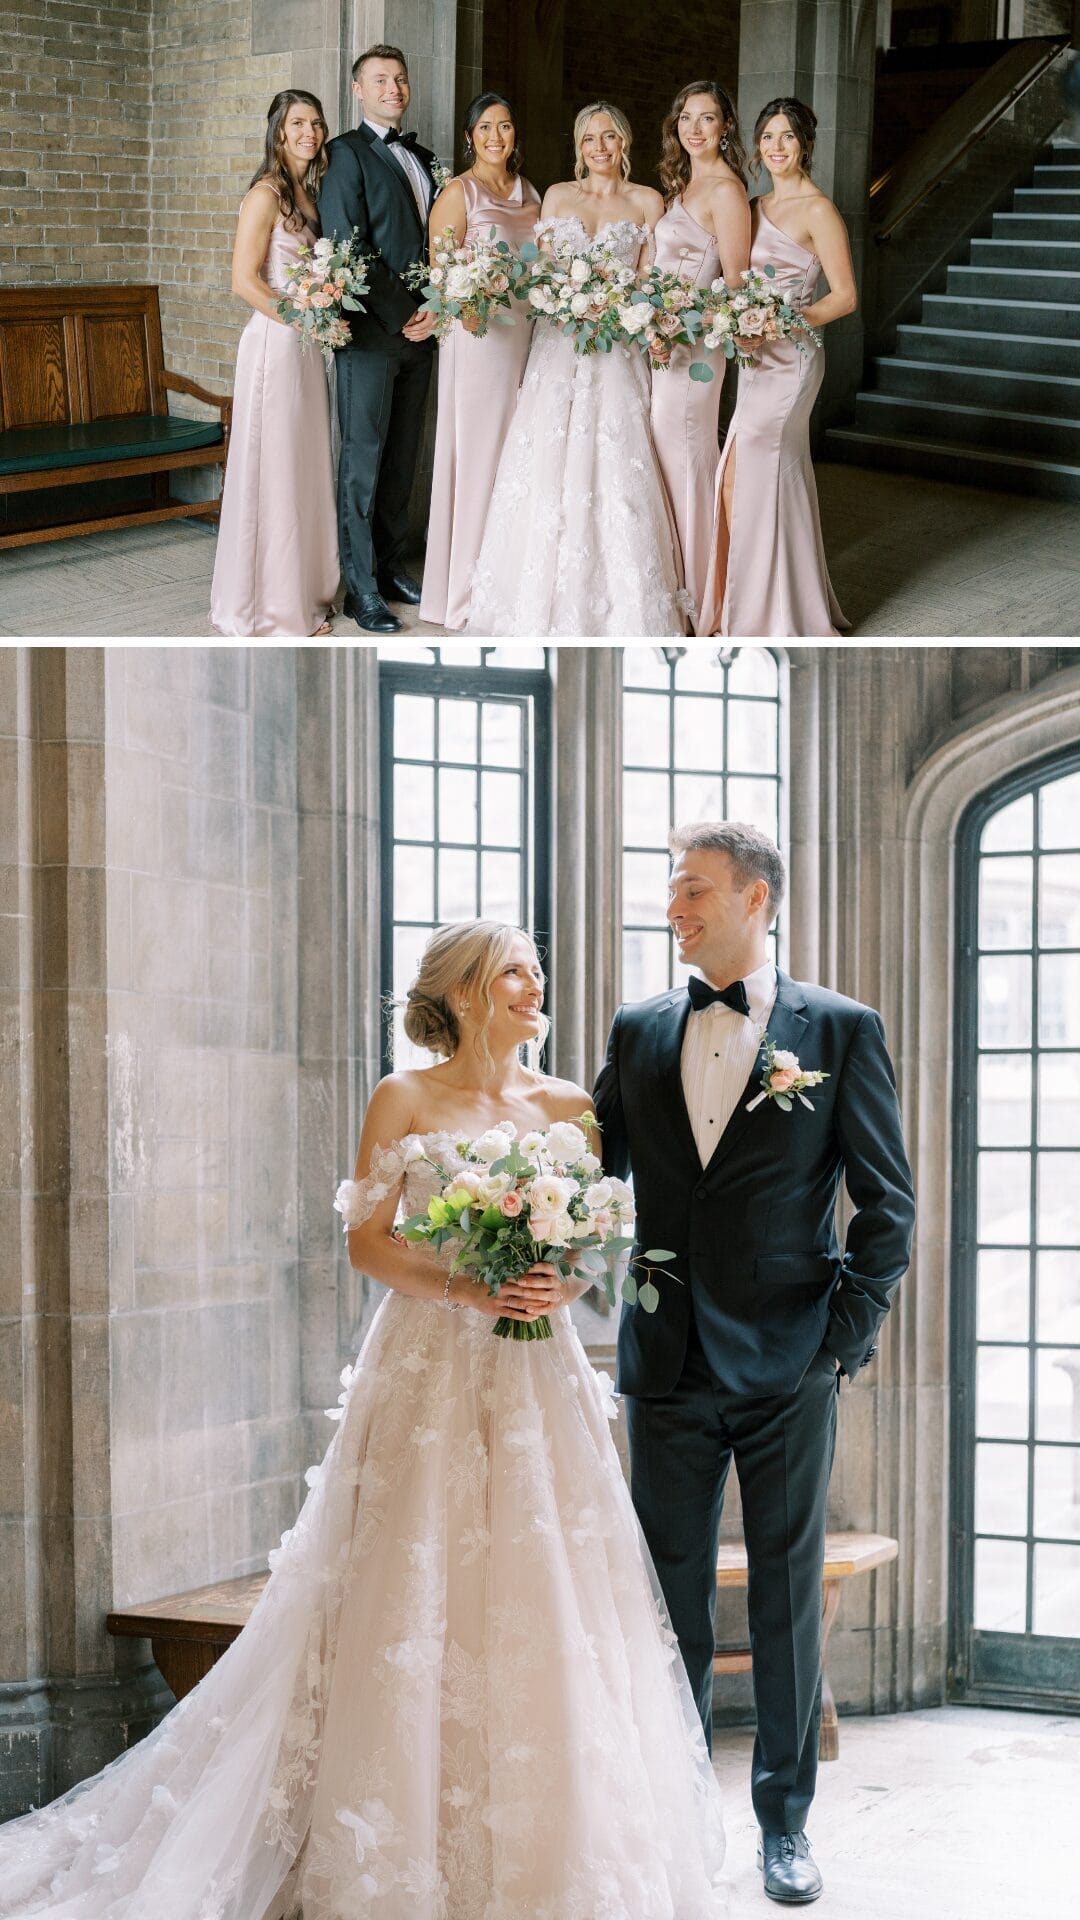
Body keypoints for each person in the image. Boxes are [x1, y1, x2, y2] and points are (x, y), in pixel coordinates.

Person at [0, 922, 727, 1919]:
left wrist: (554, 1279)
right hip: (426, 1360)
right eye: (517, 970)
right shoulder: (403, 1097)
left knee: (542, 1570)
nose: (535, 984)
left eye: (537, 972)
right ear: (468, 990)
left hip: (534, 1377)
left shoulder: (569, 1108)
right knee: (409, 1565)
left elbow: (594, 1245)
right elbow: (368, 1245)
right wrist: (471, 1286)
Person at [595, 821, 915, 1907]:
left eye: (691, 891)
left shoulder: (843, 1029)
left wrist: (838, 1343)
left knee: (784, 1602)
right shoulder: (637, 1030)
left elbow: (888, 1207)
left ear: (757, 899)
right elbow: (588, 1176)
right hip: (667, 1362)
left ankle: (786, 1829)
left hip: (790, 1365)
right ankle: (676, 1822)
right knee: (665, 1604)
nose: (673, 910)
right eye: (669, 892)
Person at [466, 103, 686, 637]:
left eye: (610, 136)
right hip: (559, 344)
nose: (600, 146)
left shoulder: (647, 202)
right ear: (578, 145)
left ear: (625, 143)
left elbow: (650, 280)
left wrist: (622, 309)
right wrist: (564, 297)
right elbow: (540, 272)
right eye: (590, 137)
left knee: (614, 462)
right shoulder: (558, 195)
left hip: (616, 346)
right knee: (546, 459)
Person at [698, 98, 856, 638]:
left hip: (792, 360)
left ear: (804, 145)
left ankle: (766, 614)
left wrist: (786, 319)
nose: (776, 147)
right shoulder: (754, 203)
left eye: (786, 137)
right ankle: (765, 603)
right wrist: (738, 317)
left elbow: (845, 296)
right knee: (746, 477)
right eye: (767, 137)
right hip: (755, 357)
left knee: (755, 471)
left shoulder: (818, 210)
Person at [209, 89, 340, 638]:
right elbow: (244, 280)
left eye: (316, 122)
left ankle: (302, 588)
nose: (309, 132)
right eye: (297, 123)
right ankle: (269, 605)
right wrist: (303, 316)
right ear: (279, 132)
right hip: (275, 343)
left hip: (306, 347)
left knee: (303, 464)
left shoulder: (309, 195)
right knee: (273, 466)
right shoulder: (265, 194)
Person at [318, 44, 438, 635]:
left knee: (401, 461)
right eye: (381, 79)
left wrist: (436, 308)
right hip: (371, 332)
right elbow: (350, 246)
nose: (394, 87)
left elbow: (445, 243)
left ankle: (390, 569)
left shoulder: (424, 157)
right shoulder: (344, 154)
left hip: (424, 334)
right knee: (361, 461)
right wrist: (404, 311)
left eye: (401, 77)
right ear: (359, 89)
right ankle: (360, 588)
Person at [419, 93, 541, 632]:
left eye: (506, 126)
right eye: (486, 127)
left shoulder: (531, 192)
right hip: (477, 339)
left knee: (516, 458)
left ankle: (504, 579)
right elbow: (440, 276)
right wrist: (471, 299)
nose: (497, 136)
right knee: (476, 458)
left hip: (527, 338)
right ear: (469, 135)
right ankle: (463, 590)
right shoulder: (457, 192)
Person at [650, 82, 750, 630]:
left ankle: (706, 600)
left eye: (707, 119)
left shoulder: (727, 192)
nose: (694, 129)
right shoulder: (685, 185)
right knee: (670, 463)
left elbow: (736, 286)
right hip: (666, 344)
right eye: (686, 117)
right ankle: (681, 585)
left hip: (698, 353)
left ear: (725, 127)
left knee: (688, 461)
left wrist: (677, 321)